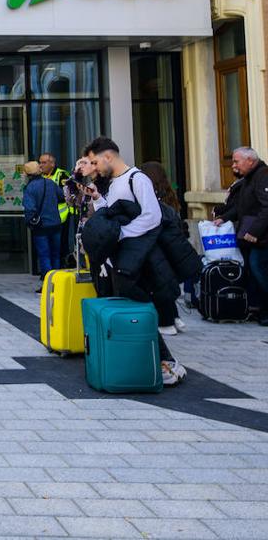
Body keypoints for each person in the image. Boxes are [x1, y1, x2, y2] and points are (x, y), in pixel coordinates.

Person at [86, 137, 185, 386]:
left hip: (138, 257)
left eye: (95, 161)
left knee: (140, 308)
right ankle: (149, 360)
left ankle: (168, 363)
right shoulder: (115, 182)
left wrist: (120, 233)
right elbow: (110, 214)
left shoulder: (137, 178)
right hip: (122, 257)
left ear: (108, 156)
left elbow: (151, 216)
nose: (94, 167)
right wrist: (98, 199)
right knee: (133, 308)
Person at [213, 146, 268, 326]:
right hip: (252, 236)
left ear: (250, 161)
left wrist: (254, 232)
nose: (233, 165)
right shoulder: (248, 179)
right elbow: (241, 207)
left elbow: (266, 207)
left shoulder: (262, 176)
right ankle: (259, 309)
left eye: (236, 161)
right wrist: (223, 218)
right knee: (253, 270)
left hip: (261, 237)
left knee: (258, 269)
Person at [141, 161, 188, 336]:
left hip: (158, 245)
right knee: (167, 282)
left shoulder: (151, 197)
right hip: (172, 245)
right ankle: (174, 316)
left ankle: (167, 321)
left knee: (159, 283)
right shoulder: (169, 194)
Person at [23, 161, 63, 291]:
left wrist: (30, 222)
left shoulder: (30, 188)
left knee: (44, 255)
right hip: (56, 224)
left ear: (27, 174)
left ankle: (48, 285)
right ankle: (57, 284)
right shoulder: (50, 183)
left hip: (41, 226)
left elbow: (30, 209)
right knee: (55, 255)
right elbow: (62, 197)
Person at [40, 152, 72, 265]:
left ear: (52, 164)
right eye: (40, 162)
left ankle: (60, 268)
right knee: (45, 245)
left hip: (60, 217)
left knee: (60, 245)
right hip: (44, 218)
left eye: (44, 162)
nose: (41, 165)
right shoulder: (40, 176)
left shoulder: (62, 175)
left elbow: (66, 195)